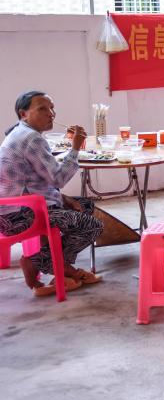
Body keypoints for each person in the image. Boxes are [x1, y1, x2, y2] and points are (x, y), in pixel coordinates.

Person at [0, 91, 103, 297]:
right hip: (19, 214)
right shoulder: (31, 138)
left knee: (85, 205)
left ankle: (60, 269)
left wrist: (63, 198)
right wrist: (75, 148)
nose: (51, 114)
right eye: (42, 109)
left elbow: (34, 181)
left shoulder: (20, 132)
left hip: (19, 206)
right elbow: (58, 179)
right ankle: (36, 262)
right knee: (92, 225)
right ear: (23, 114)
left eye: (52, 108)